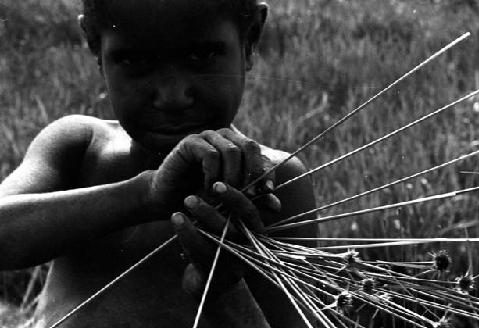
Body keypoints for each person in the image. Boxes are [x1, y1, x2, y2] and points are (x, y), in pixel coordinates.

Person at [0, 0, 317, 327]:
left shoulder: (272, 186)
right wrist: (145, 194)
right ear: (95, 46)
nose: (172, 96)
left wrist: (224, 290)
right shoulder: (81, 148)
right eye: (134, 60)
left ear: (250, 39)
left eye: (201, 56)